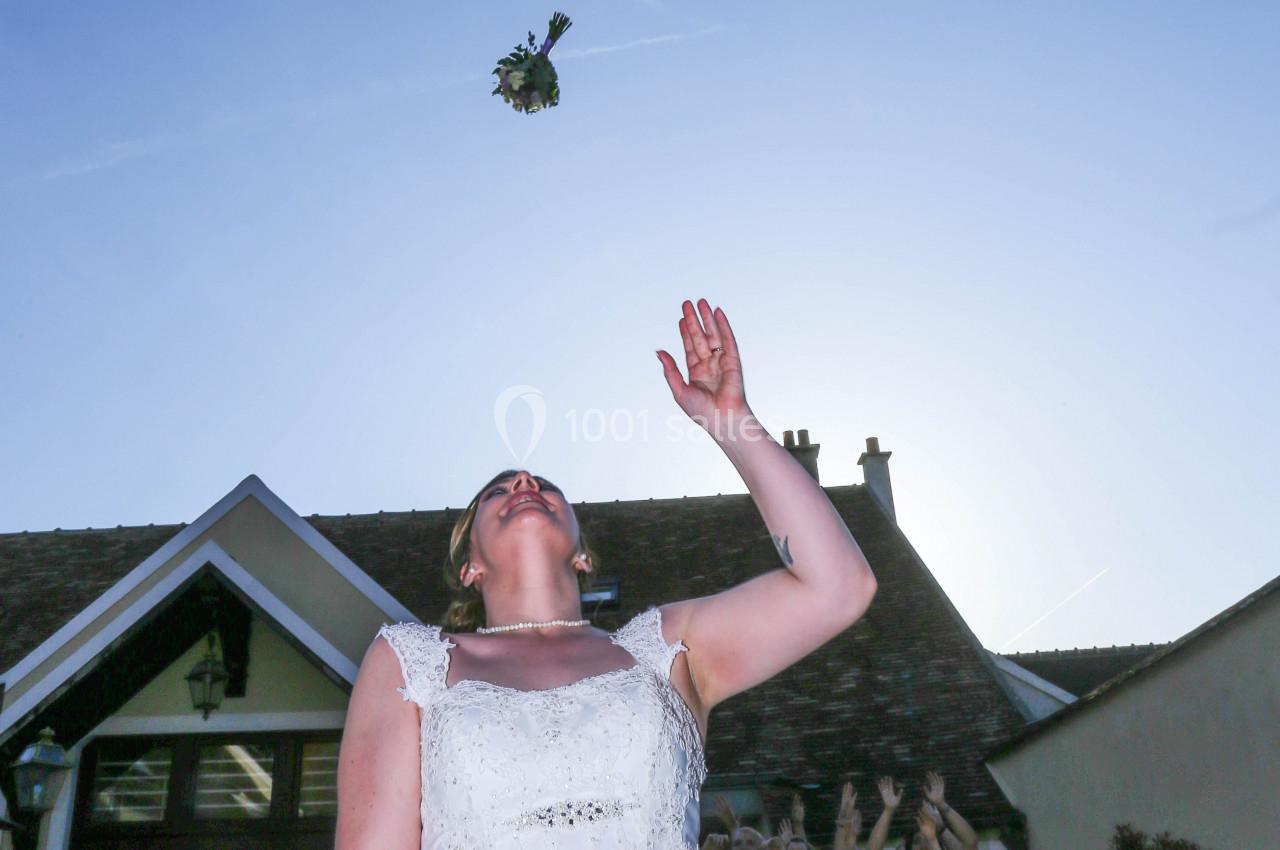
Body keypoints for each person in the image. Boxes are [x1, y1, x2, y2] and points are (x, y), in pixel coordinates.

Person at [334, 298, 880, 849]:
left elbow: (839, 587)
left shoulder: (668, 651)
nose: (524, 482)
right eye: (498, 491)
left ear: (583, 556)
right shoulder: (412, 665)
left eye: (545, 486)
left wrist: (731, 422)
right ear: (470, 566)